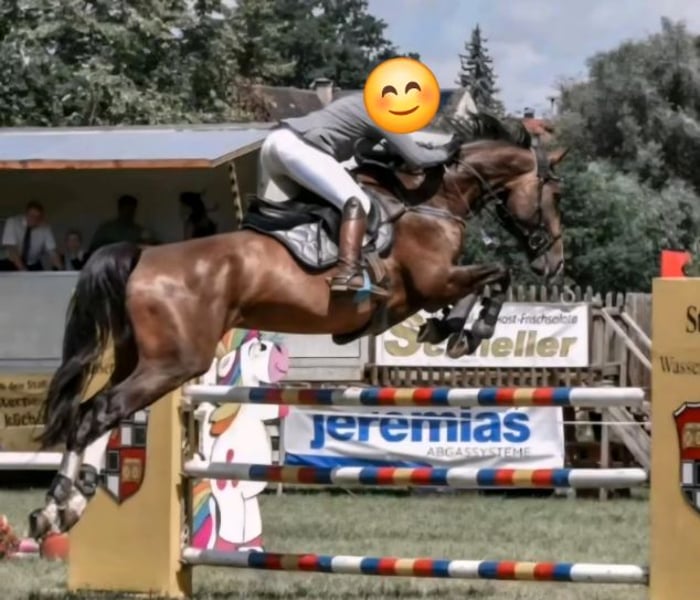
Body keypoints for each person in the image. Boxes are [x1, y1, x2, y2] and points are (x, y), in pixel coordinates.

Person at [257, 92, 461, 298]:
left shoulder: (361, 101)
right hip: (298, 149)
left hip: (273, 146)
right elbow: (417, 158)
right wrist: (446, 152)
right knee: (358, 203)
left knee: (317, 210)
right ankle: (348, 273)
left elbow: (364, 152)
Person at [0, 201, 62, 271]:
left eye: (38, 217)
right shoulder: (12, 222)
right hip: (11, 261)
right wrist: (23, 270)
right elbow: (11, 249)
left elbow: (52, 252)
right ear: (26, 214)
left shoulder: (45, 228)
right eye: (31, 216)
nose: (34, 219)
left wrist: (60, 270)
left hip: (33, 263)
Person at [88, 195, 157, 255]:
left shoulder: (140, 231)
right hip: (108, 262)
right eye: (126, 210)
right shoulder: (106, 229)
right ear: (120, 209)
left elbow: (148, 249)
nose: (129, 214)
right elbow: (93, 249)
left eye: (132, 211)